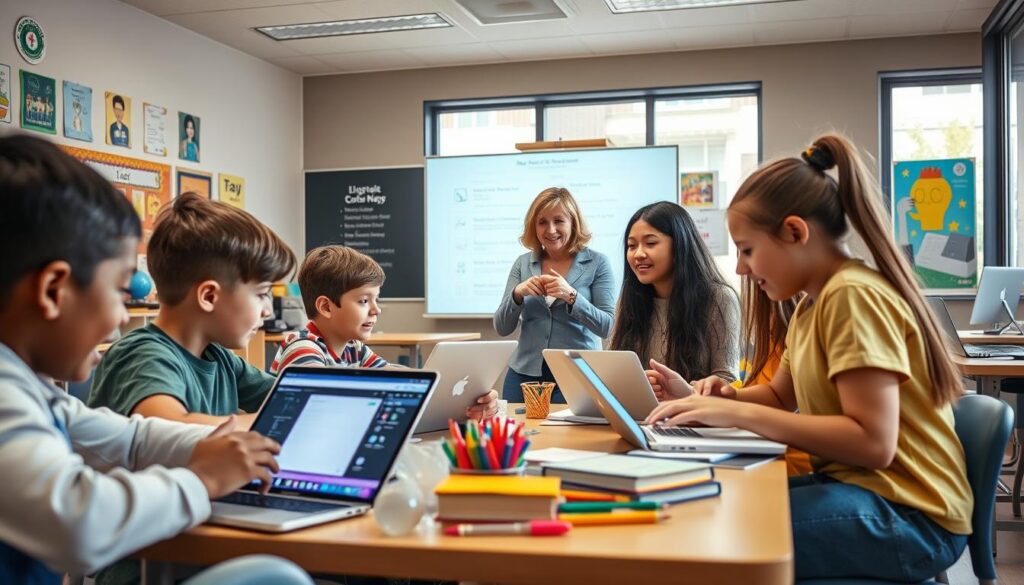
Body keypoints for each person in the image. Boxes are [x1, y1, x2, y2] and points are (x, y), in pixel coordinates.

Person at [645, 134, 972, 582]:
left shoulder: (851, 296)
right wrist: (723, 398)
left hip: (911, 514)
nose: (740, 269)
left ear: (796, 233)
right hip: (865, 494)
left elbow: (873, 443)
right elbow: (781, 397)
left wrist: (732, 414)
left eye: (747, 250)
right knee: (713, 505)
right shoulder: (811, 305)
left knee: (712, 534)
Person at [0, 134, 311, 585]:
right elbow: (78, 522)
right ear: (53, 291)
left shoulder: (32, 390)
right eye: (121, 291)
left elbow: (132, 438)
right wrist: (203, 478)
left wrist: (209, 449)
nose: (124, 315)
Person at [271, 246, 500, 420]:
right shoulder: (303, 348)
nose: (376, 309)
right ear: (326, 307)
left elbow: (394, 375)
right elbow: (319, 404)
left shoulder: (353, 348)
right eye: (363, 300)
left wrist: (469, 398)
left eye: (376, 298)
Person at [493, 187, 616, 403]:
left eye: (559, 220)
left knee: (567, 437)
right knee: (518, 435)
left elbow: (607, 327)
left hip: (578, 373)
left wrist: (572, 296)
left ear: (573, 222)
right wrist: (517, 294)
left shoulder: (598, 263)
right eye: (542, 222)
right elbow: (502, 327)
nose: (551, 230)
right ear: (534, 226)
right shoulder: (522, 264)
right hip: (524, 375)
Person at [611, 201, 739, 393]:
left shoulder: (719, 298)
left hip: (695, 418)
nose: (638, 254)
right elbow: (615, 372)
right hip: (640, 417)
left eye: (651, 243)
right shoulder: (630, 299)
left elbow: (727, 381)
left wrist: (679, 390)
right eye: (631, 246)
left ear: (680, 246)